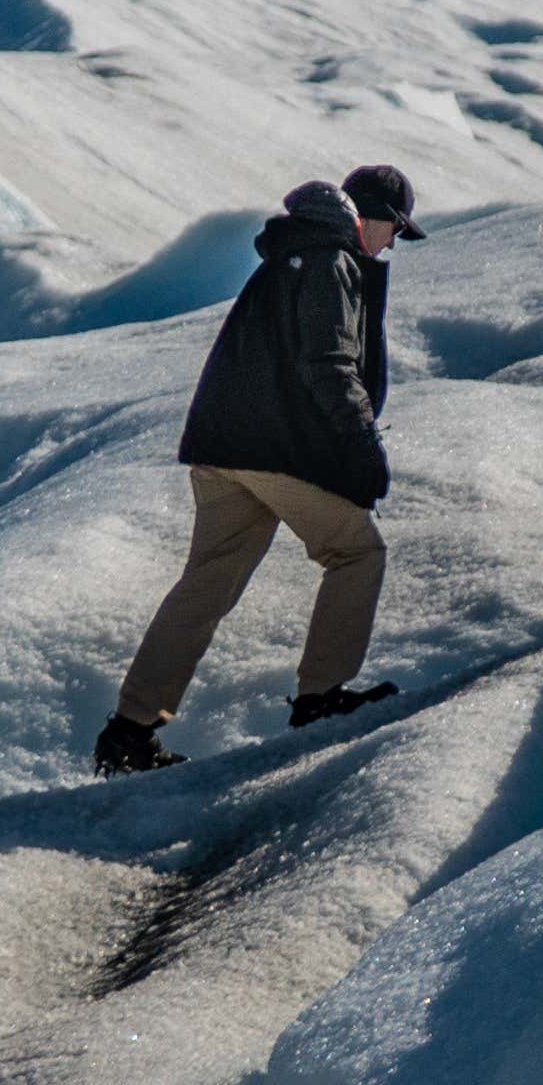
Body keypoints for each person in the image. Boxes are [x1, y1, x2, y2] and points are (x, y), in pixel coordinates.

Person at [100, 169, 421, 773]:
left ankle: (130, 728)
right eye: (395, 230)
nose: (391, 245)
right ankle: (320, 698)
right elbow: (329, 362)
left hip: (221, 447)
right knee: (358, 552)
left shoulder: (292, 255)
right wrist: (362, 445)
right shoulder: (332, 260)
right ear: (372, 216)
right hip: (273, 451)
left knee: (207, 583)